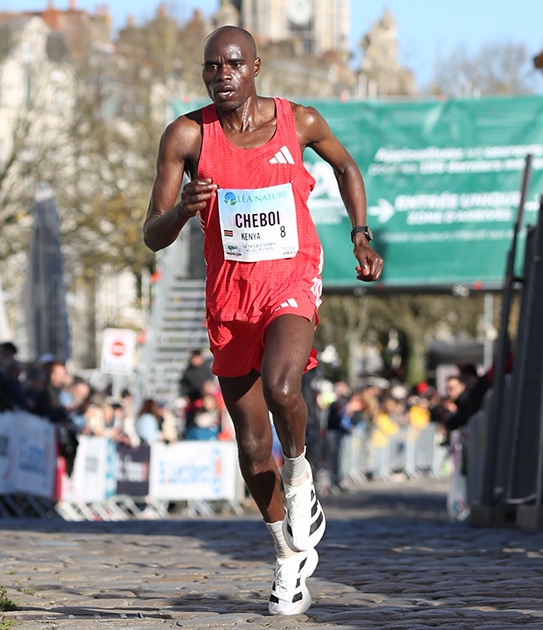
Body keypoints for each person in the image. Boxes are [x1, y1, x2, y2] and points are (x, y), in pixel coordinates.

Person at [142, 25, 383, 616]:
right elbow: (152, 234)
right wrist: (182, 211)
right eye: (209, 67)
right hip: (230, 295)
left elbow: (347, 169)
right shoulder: (186, 135)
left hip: (291, 277)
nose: (220, 75)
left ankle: (301, 475)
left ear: (255, 66)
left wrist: (360, 235)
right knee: (251, 449)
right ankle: (286, 557)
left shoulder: (298, 121)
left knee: (282, 385)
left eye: (231, 64)